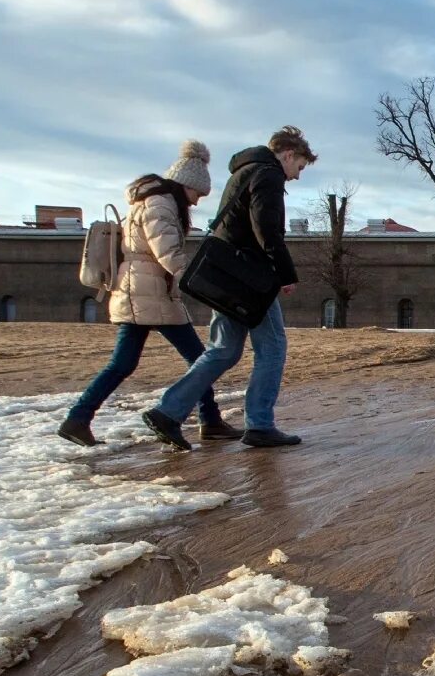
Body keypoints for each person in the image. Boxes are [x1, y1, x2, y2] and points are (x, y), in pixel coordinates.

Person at [141, 125, 315, 451]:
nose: (297, 176)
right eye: (299, 167)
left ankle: (168, 412)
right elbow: (265, 227)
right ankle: (260, 425)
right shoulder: (268, 173)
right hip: (250, 279)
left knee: (223, 350)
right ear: (288, 154)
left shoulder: (245, 171)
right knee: (273, 348)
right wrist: (285, 273)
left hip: (227, 277)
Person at [58, 142, 240, 447]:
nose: (195, 202)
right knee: (200, 360)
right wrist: (203, 284)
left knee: (125, 364)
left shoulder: (150, 201)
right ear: (186, 185)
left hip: (139, 292)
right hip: (148, 292)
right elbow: (167, 252)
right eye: (197, 194)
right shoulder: (161, 204)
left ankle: (78, 418)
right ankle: (208, 421)